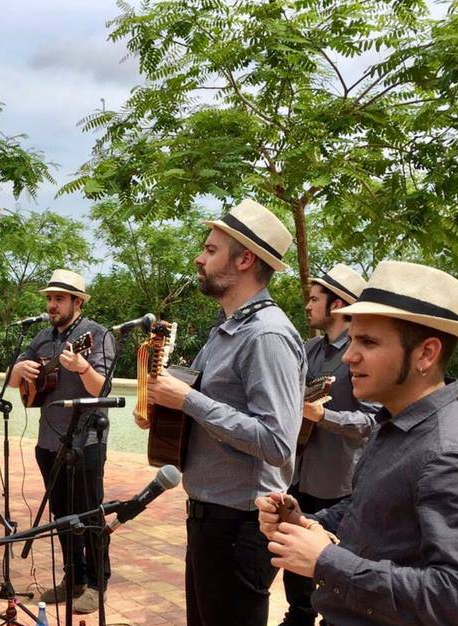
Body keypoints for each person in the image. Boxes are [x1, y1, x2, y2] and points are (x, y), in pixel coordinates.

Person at [258, 260, 458, 626]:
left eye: (368, 342)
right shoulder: (395, 423)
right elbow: (375, 510)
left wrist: (327, 559)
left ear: (426, 353)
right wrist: (306, 521)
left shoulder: (452, 455)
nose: (349, 356)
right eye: (353, 338)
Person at [143, 199, 307, 626]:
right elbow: (210, 410)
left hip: (239, 526)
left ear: (245, 259)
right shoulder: (226, 331)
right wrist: (164, 411)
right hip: (212, 520)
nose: (199, 258)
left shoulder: (267, 335)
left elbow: (276, 441)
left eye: (211, 250)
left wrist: (187, 401)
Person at [8, 269, 116, 615]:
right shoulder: (42, 337)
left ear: (77, 302)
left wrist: (83, 368)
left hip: (86, 440)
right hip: (49, 440)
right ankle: (73, 579)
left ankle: (98, 584)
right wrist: (21, 372)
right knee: (62, 516)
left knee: (89, 515)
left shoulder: (96, 335)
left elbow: (104, 390)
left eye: (59, 299)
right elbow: (13, 378)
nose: (52, 305)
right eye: (50, 299)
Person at [279, 263, 379, 626]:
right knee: (294, 554)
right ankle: (298, 616)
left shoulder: (360, 355)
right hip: (298, 473)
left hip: (337, 482)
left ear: (336, 305)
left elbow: (371, 422)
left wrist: (324, 417)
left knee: (329, 562)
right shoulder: (308, 349)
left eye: (314, 298)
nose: (307, 305)